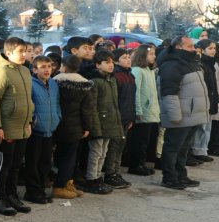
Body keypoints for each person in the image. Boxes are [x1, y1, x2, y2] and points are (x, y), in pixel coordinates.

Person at [0, 37, 36, 215]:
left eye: (26, 51)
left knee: (15, 165)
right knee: (3, 165)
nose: (24, 54)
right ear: (8, 53)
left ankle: (12, 195)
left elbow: (27, 99)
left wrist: (29, 121)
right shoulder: (3, 72)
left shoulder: (24, 71)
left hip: (22, 127)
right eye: (20, 51)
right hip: (6, 128)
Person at [156, 36, 210, 190]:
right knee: (173, 148)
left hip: (191, 115)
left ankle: (181, 174)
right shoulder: (172, 65)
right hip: (180, 116)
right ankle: (169, 177)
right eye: (190, 46)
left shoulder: (190, 63)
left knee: (183, 148)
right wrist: (174, 115)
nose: (194, 49)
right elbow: (169, 93)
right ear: (179, 48)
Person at [52, 55, 94, 199]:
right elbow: (87, 109)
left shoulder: (54, 81)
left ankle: (65, 183)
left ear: (63, 66)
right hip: (75, 127)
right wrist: (87, 127)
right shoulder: (84, 84)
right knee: (69, 157)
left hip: (56, 124)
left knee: (58, 155)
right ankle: (60, 185)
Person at [82, 51, 123, 194]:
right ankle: (91, 179)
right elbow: (91, 107)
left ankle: (98, 177)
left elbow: (114, 105)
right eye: (107, 62)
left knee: (103, 152)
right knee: (96, 152)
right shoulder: (95, 81)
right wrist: (94, 127)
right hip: (98, 123)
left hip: (109, 122)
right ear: (98, 65)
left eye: (112, 62)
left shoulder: (111, 80)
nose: (111, 65)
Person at [25, 55, 61, 204]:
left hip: (50, 130)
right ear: (34, 69)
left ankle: (40, 189)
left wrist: (58, 117)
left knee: (45, 163)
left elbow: (57, 103)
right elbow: (29, 105)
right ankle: (32, 192)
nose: (47, 70)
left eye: (49, 66)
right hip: (36, 131)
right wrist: (33, 120)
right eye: (43, 67)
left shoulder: (53, 84)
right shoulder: (31, 84)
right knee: (33, 163)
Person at [126, 45, 160, 176]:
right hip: (143, 112)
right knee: (139, 141)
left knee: (146, 141)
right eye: (151, 54)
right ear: (143, 56)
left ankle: (141, 164)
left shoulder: (150, 70)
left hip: (151, 111)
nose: (154, 56)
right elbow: (136, 92)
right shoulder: (138, 71)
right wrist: (138, 110)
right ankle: (135, 165)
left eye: (154, 53)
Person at [188, 39, 219, 166]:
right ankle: (196, 150)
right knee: (200, 128)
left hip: (210, 98)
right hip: (203, 99)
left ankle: (202, 150)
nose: (213, 51)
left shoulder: (210, 64)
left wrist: (215, 98)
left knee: (207, 127)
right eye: (210, 48)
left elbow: (213, 84)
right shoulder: (202, 64)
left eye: (214, 48)